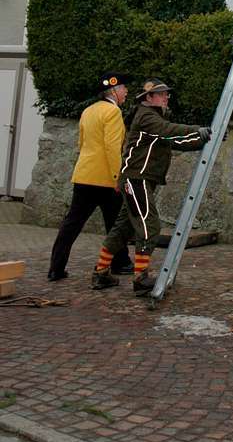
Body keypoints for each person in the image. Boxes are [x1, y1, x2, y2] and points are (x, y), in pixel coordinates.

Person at [90, 78, 211, 295]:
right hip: (136, 179)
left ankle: (101, 273)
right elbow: (168, 130)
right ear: (149, 98)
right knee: (149, 226)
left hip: (140, 179)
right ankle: (140, 277)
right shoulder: (147, 117)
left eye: (166, 94)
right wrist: (196, 130)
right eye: (162, 94)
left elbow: (173, 141)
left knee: (122, 228)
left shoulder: (154, 119)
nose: (166, 97)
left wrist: (204, 140)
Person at [47, 70, 133, 282]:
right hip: (104, 179)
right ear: (113, 90)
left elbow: (81, 143)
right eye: (123, 88)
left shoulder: (89, 110)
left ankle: (56, 268)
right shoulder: (113, 113)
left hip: (84, 175)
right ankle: (120, 263)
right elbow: (112, 148)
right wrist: (117, 178)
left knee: (72, 224)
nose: (126, 92)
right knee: (115, 223)